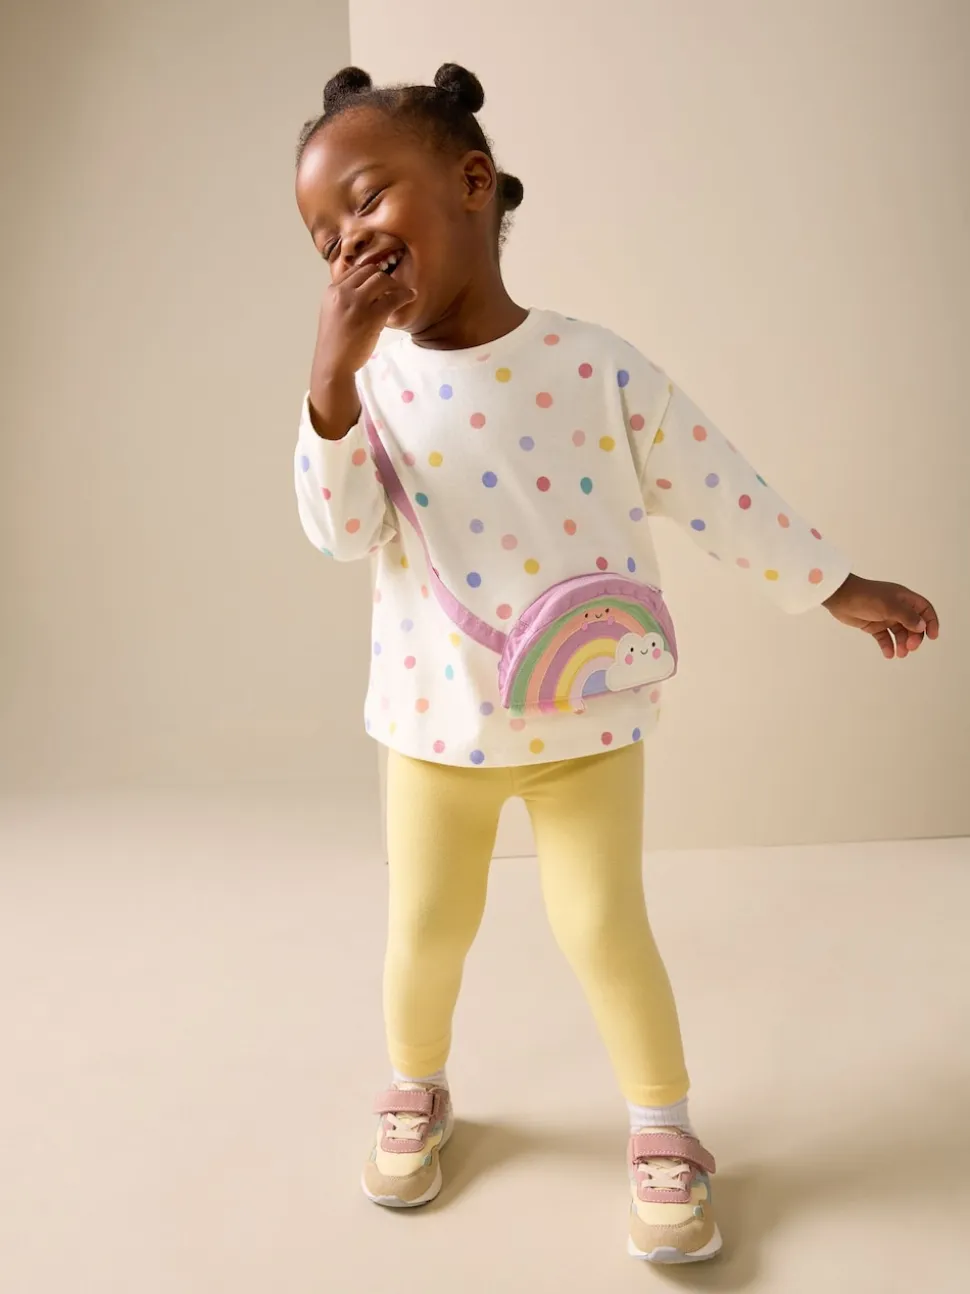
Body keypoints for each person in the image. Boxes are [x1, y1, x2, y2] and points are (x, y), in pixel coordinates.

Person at [291, 63, 939, 1264]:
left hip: (585, 722)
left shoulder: (594, 365)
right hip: (434, 729)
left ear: (471, 181)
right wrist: (329, 385)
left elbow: (716, 484)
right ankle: (415, 1083)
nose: (348, 244)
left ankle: (663, 1125)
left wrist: (834, 585)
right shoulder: (367, 387)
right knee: (425, 928)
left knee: (603, 926)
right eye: (325, 237)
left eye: (366, 199)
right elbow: (339, 532)